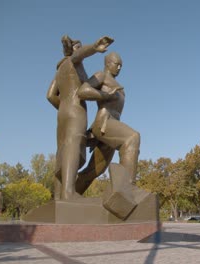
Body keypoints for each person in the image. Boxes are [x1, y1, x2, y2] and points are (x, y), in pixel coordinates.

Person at [46, 35, 115, 200]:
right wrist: (94, 47)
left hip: (62, 113)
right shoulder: (72, 61)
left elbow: (50, 96)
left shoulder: (60, 69)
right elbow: (78, 55)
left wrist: (64, 106)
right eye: (80, 48)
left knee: (62, 151)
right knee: (73, 146)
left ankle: (58, 196)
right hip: (76, 110)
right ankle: (69, 193)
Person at [76, 52, 140, 195]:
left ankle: (68, 196)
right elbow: (83, 91)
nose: (119, 68)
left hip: (113, 125)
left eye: (121, 66)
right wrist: (106, 95)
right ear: (108, 63)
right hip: (104, 123)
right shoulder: (101, 76)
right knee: (132, 138)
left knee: (96, 170)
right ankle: (127, 190)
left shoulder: (119, 86)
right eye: (116, 64)